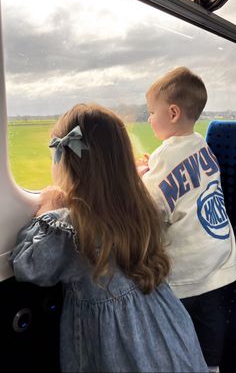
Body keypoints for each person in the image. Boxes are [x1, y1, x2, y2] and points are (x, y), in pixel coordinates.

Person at [9, 104, 208, 373]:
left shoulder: (76, 228)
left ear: (69, 164)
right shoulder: (140, 207)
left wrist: (50, 208)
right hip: (171, 336)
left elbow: (28, 264)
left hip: (122, 355)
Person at [138, 67, 236, 373]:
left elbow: (149, 209)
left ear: (172, 112)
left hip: (187, 274)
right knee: (211, 347)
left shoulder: (165, 155)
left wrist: (140, 176)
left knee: (178, 345)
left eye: (151, 112)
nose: (149, 119)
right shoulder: (203, 147)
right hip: (222, 264)